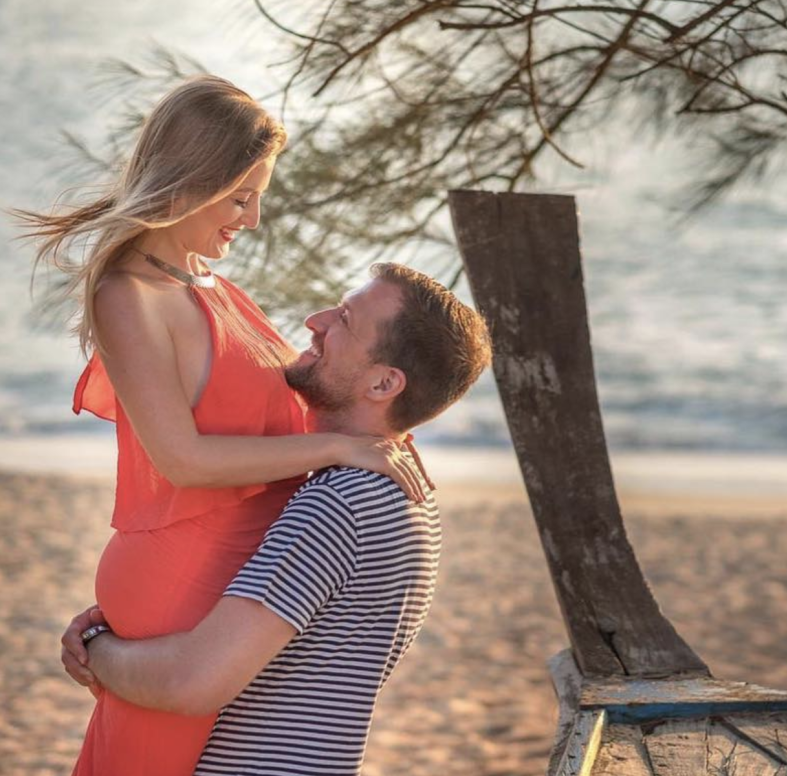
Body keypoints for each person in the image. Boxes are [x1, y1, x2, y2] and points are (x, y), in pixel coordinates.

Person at [15, 76, 428, 776]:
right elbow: (182, 462)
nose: (255, 216)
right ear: (188, 181)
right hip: (188, 582)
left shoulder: (208, 283)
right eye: (241, 195)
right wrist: (336, 445)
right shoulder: (130, 294)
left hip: (230, 580)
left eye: (258, 194)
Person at [61, 262, 492, 776]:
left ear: (383, 383)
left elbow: (193, 682)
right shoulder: (398, 490)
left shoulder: (342, 504)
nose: (315, 319)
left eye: (346, 320)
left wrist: (95, 649)